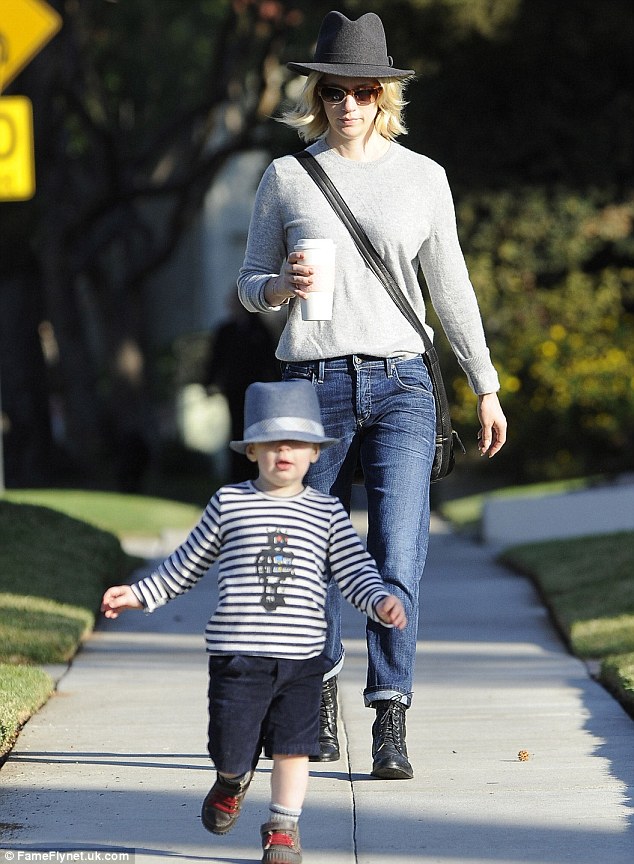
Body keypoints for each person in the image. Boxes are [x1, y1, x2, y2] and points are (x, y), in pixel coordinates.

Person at [237, 10, 507, 781]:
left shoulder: (423, 178)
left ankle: (391, 713)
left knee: (399, 554)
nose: (348, 105)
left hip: (402, 386)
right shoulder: (287, 176)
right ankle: (317, 695)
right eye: (333, 92)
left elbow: (450, 292)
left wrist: (485, 386)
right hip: (309, 384)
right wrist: (280, 285)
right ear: (316, 96)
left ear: (384, 95)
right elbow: (248, 284)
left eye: (363, 91)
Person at [100, 379, 406, 864]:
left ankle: (283, 827)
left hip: (302, 660)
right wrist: (139, 594)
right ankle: (231, 779)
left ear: (314, 454)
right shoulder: (230, 505)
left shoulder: (327, 512)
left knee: (292, 747)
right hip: (237, 658)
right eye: (272, 442)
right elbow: (186, 564)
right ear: (253, 451)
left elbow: (355, 571)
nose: (284, 450)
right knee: (231, 745)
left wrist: (379, 601)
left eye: (297, 442)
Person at [203, 291, 278, 483]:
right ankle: (238, 479)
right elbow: (216, 359)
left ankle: (258, 476)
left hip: (258, 392)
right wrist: (209, 383)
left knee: (257, 432)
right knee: (237, 432)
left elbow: (271, 361)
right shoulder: (226, 330)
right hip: (234, 391)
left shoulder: (260, 329)